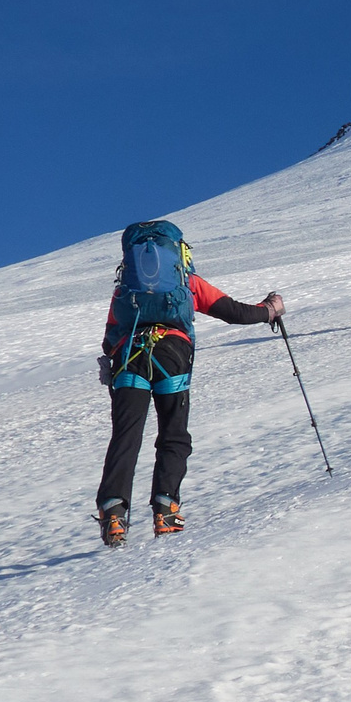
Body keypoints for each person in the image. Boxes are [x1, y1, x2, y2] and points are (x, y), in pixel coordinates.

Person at [94, 219, 281, 545]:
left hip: (129, 359)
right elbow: (232, 311)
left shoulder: (125, 287)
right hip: (172, 355)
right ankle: (166, 510)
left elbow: (112, 332)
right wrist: (269, 310)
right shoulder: (186, 282)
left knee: (126, 436)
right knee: (173, 433)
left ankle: (113, 514)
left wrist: (109, 360)